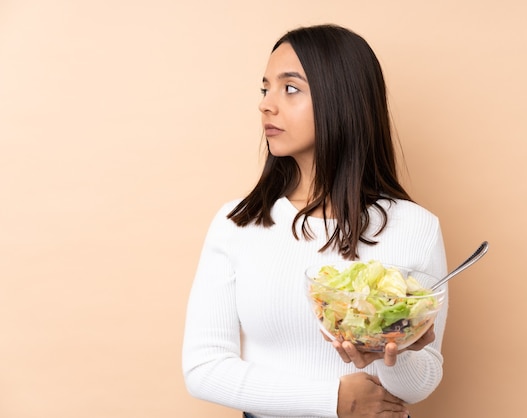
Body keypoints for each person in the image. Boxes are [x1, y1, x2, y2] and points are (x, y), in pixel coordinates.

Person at [182, 24, 448, 418]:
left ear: (341, 99)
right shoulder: (236, 223)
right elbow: (203, 368)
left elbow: (421, 384)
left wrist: (404, 349)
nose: (266, 105)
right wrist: (332, 401)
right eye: (265, 89)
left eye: (290, 89)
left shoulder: (415, 227)